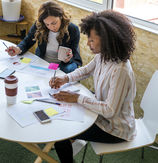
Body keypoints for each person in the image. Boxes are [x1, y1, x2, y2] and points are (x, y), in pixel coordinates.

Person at [49, 10, 137, 163]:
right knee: (66, 110)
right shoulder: (104, 55)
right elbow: (86, 70)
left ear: (106, 40)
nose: (88, 44)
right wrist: (65, 78)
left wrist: (77, 98)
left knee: (60, 132)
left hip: (115, 129)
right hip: (101, 115)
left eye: (91, 40)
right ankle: (74, 141)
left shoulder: (121, 70)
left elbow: (109, 111)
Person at [6, 1, 82, 73]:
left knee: (65, 71)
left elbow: (74, 53)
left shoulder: (72, 29)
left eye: (54, 23)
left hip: (64, 64)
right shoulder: (39, 25)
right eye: (47, 24)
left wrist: (68, 59)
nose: (51, 27)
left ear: (61, 16)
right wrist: (18, 49)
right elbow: (28, 40)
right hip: (44, 60)